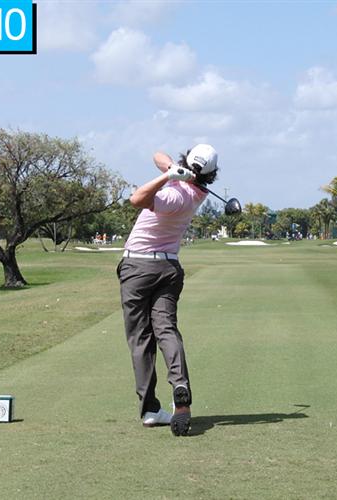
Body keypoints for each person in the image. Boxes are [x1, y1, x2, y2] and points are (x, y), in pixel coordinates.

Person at [116, 144, 218, 436]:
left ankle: (150, 409)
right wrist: (173, 169)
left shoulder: (176, 195)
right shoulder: (196, 191)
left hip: (138, 267)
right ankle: (180, 385)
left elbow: (137, 199)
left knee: (141, 339)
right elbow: (157, 155)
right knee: (166, 330)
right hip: (169, 268)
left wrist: (167, 177)